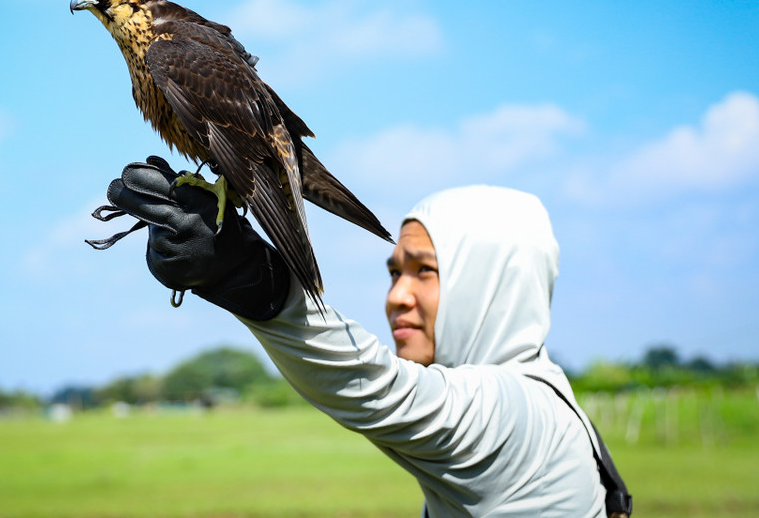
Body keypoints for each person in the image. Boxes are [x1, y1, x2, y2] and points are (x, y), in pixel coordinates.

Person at [98, 156, 632, 518]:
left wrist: (248, 277)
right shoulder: (549, 399)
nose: (397, 295)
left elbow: (378, 390)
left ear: (493, 280)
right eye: (394, 272)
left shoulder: (520, 414)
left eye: (426, 271)